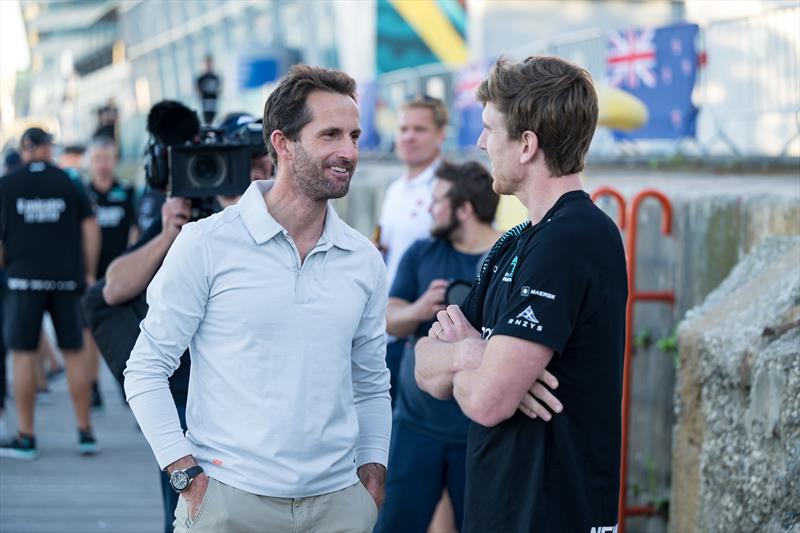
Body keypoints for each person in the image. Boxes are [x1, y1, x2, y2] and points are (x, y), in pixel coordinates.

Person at [124, 65, 390, 533]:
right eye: (330, 134)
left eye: (353, 135)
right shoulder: (206, 243)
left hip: (339, 507)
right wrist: (185, 477)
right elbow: (146, 367)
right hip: (228, 505)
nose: (348, 151)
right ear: (283, 143)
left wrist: (372, 476)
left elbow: (369, 382)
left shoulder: (363, 259)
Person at [415, 56, 628, 532]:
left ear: (527, 144)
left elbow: (488, 402)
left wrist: (479, 365)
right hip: (499, 512)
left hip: (554, 515)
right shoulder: (515, 241)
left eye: (491, 129)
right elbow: (424, 367)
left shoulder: (572, 238)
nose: (481, 142)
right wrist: (479, 355)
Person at [374, 160, 501, 533]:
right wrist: (417, 309)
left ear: (464, 209)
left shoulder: (510, 256)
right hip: (415, 428)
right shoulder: (422, 252)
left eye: (439, 200)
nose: (430, 208)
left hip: (479, 434)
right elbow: (389, 318)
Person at [0, 127, 101, 460]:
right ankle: (85, 432)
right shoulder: (68, 181)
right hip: (66, 280)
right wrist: (88, 270)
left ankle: (27, 436)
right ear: (47, 149)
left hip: (22, 280)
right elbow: (90, 227)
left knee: (23, 354)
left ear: (25, 149)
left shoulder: (8, 183)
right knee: (74, 352)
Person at [376, 95, 447, 405]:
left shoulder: (446, 189)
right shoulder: (395, 189)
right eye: (403, 128)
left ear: (440, 135)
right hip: (389, 328)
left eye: (419, 129)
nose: (408, 136)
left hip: (423, 336)